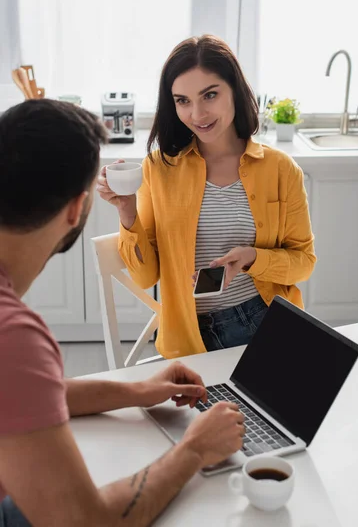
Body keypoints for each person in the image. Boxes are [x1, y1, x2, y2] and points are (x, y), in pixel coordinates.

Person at [0, 99, 244, 527]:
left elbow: (20, 392)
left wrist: (135, 391)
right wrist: (193, 449)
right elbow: (85, 522)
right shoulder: (13, 336)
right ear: (77, 209)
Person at [97, 35, 317, 359]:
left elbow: (303, 263)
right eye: (182, 100)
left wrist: (253, 258)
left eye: (209, 95)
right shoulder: (159, 169)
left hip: (265, 320)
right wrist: (127, 211)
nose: (197, 114)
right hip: (188, 336)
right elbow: (146, 277)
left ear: (234, 90)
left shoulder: (280, 169)